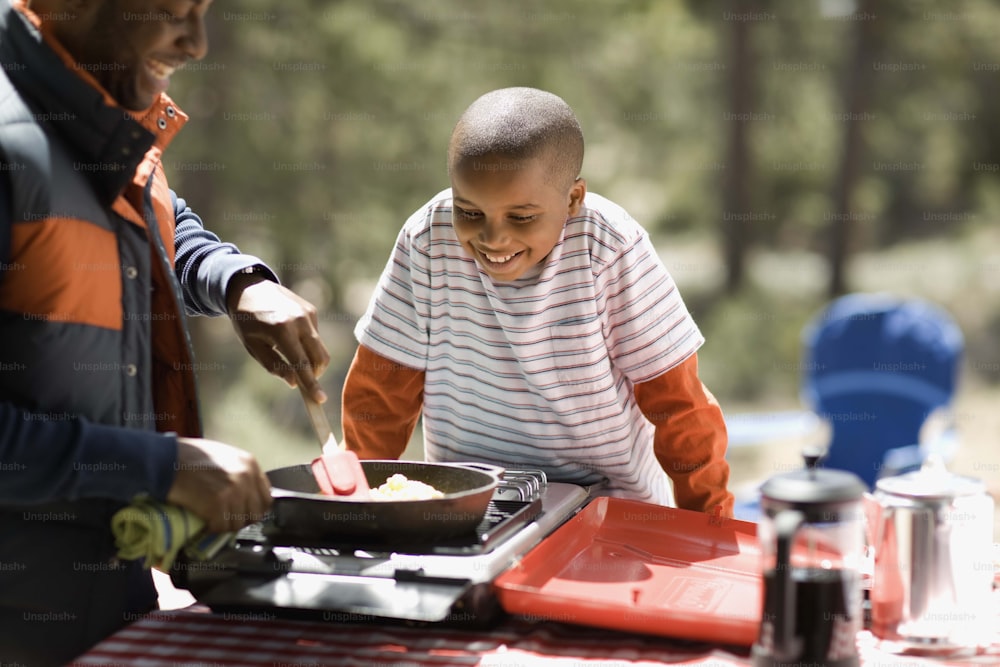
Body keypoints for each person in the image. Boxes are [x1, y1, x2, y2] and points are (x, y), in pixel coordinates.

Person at [0, 0, 330, 663]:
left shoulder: (99, 112)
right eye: (175, 10)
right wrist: (161, 465)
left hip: (103, 603)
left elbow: (156, 222)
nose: (199, 42)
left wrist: (239, 281)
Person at [341, 87, 733, 515]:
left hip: (606, 510)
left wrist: (709, 524)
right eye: (469, 212)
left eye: (521, 217)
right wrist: (355, 504)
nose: (493, 238)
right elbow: (381, 394)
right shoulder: (427, 241)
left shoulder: (609, 247)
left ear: (572, 199)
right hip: (470, 505)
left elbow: (679, 406)